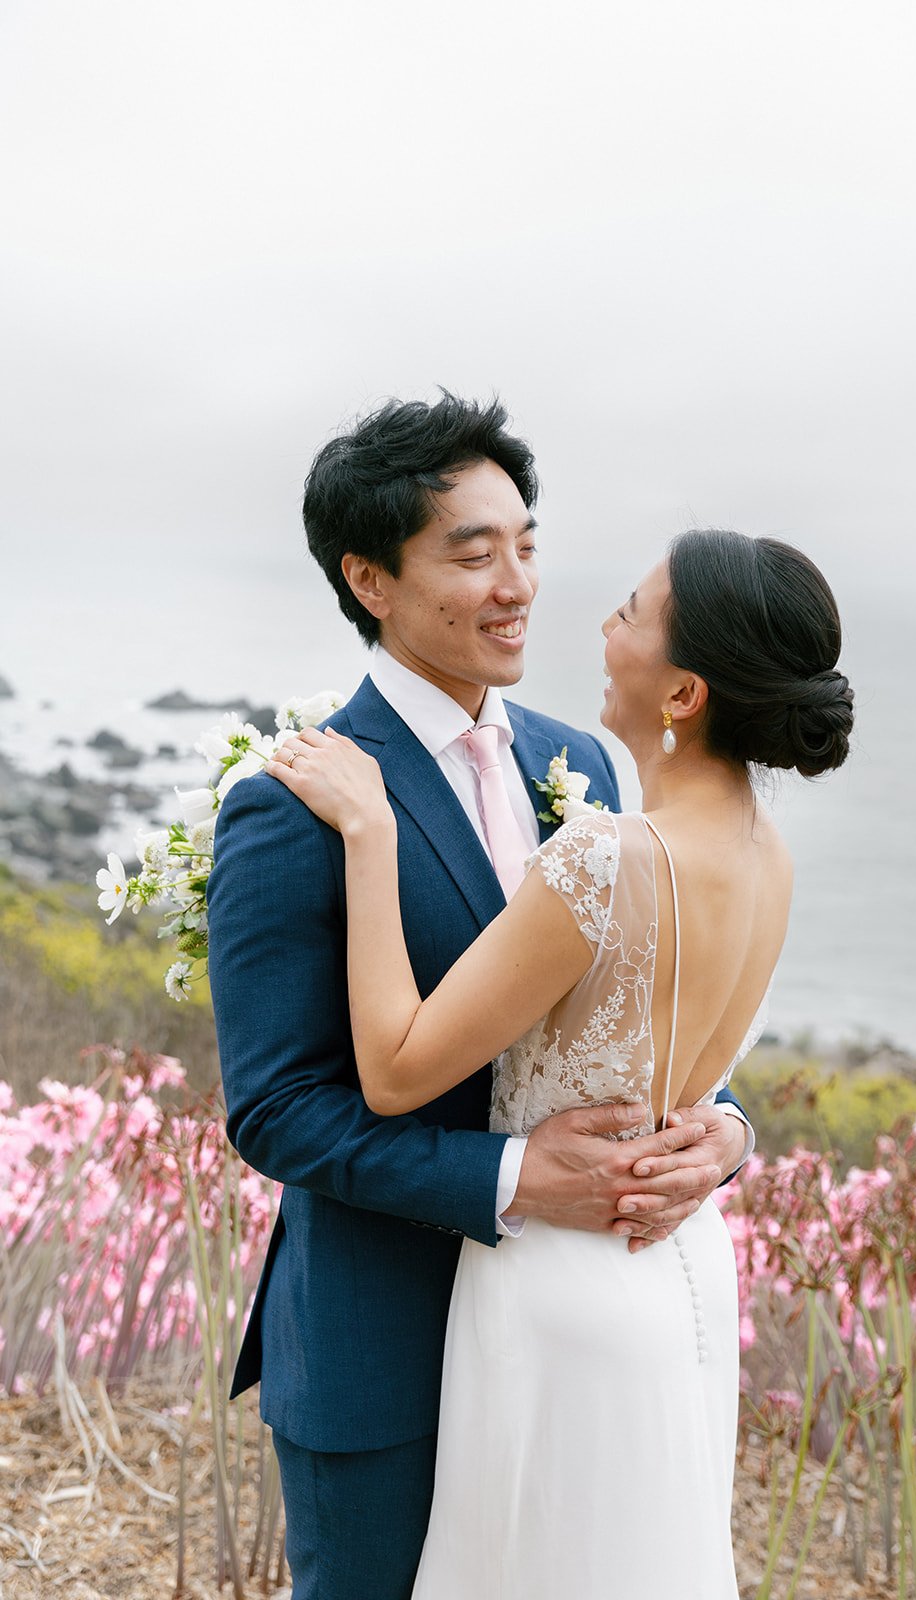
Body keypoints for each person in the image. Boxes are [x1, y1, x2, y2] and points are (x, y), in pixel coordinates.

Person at [207, 394, 755, 1600]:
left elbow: (645, 996)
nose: (516, 586)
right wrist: (513, 1178)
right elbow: (279, 1110)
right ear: (369, 579)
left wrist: (720, 1128)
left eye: (526, 544)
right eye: (471, 554)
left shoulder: (586, 761)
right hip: (384, 1349)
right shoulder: (290, 805)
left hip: (571, 1345)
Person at [267, 523, 854, 1598]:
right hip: (678, 1263)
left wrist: (369, 835)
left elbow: (392, 1071)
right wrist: (726, 1132)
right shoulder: (767, 854)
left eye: (629, 613)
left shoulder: (602, 853)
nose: (599, 625)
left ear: (684, 694)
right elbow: (669, 1055)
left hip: (559, 1283)